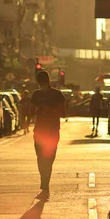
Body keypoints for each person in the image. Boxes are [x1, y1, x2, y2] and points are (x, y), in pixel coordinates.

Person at [30, 70, 66, 201]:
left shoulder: (57, 95)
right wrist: (38, 108)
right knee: (42, 159)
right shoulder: (36, 94)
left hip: (51, 131)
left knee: (47, 159)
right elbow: (31, 111)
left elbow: (63, 112)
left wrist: (48, 109)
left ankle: (45, 187)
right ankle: (44, 186)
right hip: (41, 131)